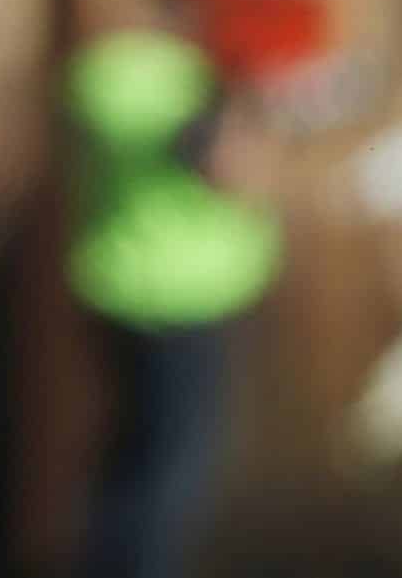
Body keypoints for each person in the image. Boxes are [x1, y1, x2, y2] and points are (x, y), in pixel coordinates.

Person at [62, 29, 283, 578]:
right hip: (179, 303)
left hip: (134, 289)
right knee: (167, 474)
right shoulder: (186, 86)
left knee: (139, 460)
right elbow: (220, 163)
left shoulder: (112, 73)